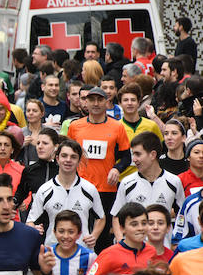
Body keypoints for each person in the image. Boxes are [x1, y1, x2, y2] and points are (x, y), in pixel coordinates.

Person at [66, 86, 131, 251]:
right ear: (85, 102)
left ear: (107, 102)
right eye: (92, 99)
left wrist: (116, 169)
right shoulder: (75, 127)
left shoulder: (117, 127)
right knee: (78, 230)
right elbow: (68, 153)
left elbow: (126, 157)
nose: (95, 103)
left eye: (100, 99)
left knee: (102, 236)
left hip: (106, 189)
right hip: (80, 187)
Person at [27, 138, 105, 247]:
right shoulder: (45, 190)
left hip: (82, 252)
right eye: (64, 156)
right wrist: (33, 229)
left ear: (79, 161)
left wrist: (94, 236)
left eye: (73, 157)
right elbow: (30, 221)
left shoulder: (89, 189)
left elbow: (101, 217)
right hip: (53, 253)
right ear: (57, 158)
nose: (68, 160)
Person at [111, 132, 184, 242]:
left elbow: (181, 215)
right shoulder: (127, 183)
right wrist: (120, 240)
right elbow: (116, 216)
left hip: (164, 249)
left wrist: (176, 240)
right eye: (133, 154)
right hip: (134, 250)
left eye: (138, 154)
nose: (134, 159)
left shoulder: (174, 181)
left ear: (153, 155)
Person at [84, 203, 157, 275]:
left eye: (144, 223)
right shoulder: (109, 254)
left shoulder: (152, 251)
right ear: (122, 228)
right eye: (134, 224)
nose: (140, 228)